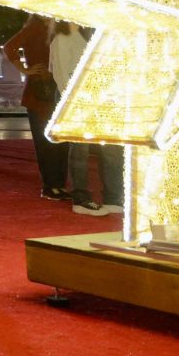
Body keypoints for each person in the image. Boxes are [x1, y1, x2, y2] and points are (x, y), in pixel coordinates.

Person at [48, 21, 120, 216]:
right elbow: (61, 74)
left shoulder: (87, 34)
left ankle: (113, 197)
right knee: (80, 149)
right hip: (77, 99)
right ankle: (81, 198)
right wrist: (72, 102)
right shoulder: (63, 38)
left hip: (97, 97)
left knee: (110, 147)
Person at [4, 15, 66, 200]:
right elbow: (9, 47)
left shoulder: (60, 25)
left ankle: (59, 184)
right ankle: (50, 185)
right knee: (44, 141)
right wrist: (25, 69)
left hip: (57, 87)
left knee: (61, 141)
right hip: (40, 90)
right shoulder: (35, 26)